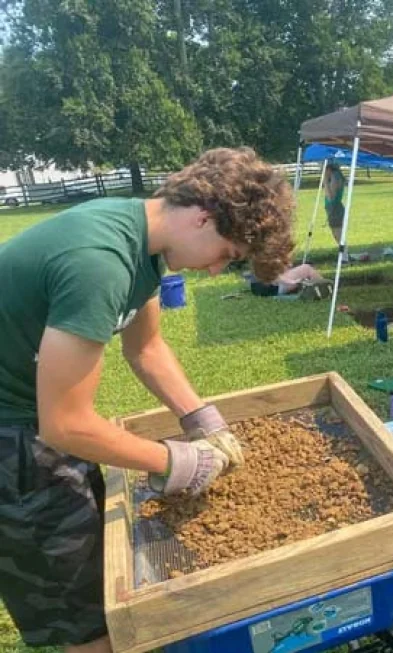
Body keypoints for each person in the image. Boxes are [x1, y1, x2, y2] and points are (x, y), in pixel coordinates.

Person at [0, 147, 294, 653]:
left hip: (33, 412)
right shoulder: (100, 263)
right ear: (203, 218)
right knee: (84, 613)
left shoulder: (146, 248)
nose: (219, 270)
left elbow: (148, 347)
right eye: (228, 253)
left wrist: (201, 419)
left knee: (96, 559)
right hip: (12, 433)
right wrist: (176, 460)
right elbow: (65, 425)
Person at [248, 262, 332, 299]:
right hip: (271, 287)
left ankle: (320, 286)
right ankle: (327, 288)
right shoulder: (269, 249)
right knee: (306, 268)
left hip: (257, 288)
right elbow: (273, 275)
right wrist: (292, 281)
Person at [324, 160, 347, 263]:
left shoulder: (335, 177)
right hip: (332, 208)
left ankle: (344, 257)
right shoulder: (335, 176)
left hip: (335, 208)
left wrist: (325, 182)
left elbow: (331, 196)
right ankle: (343, 256)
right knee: (336, 234)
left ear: (328, 169)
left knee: (338, 233)